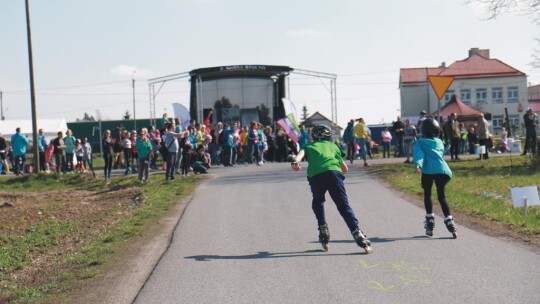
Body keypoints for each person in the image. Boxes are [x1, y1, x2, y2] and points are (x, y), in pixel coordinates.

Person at [290, 125, 373, 253]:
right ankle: (358, 233)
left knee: (318, 201)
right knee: (343, 206)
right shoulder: (334, 146)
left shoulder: (308, 146)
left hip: (316, 177)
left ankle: (322, 228)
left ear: (313, 136)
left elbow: (299, 155)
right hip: (334, 174)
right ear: (328, 136)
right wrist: (337, 176)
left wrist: (295, 162)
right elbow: (345, 168)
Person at [413, 118, 457, 238]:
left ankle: (430, 220)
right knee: (441, 196)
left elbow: (419, 154)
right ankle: (449, 221)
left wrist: (418, 165)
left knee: (428, 194)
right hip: (442, 170)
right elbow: (440, 155)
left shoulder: (420, 142)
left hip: (428, 171)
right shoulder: (439, 142)